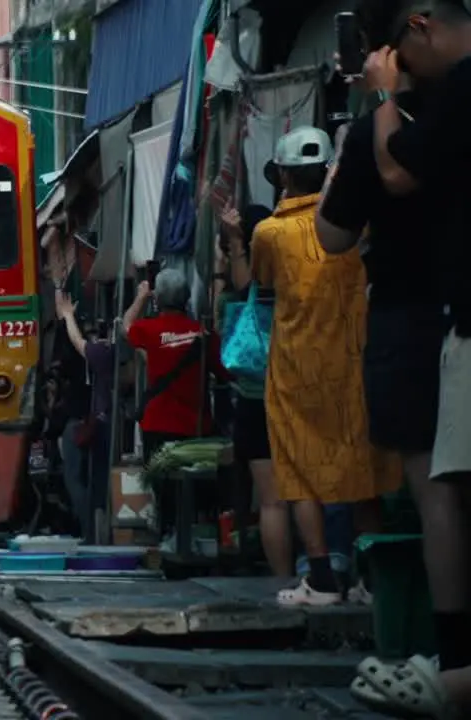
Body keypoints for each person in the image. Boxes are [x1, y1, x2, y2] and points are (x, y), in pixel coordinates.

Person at [340, 1, 471, 715]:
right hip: (448, 319)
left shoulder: (449, 95)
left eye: (399, 51)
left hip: (430, 324)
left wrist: (384, 100)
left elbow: (394, 178)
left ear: (418, 25)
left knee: (438, 492)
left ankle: (455, 663)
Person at [249, 126, 402, 608]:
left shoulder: (270, 232)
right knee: (364, 466)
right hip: (357, 359)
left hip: (297, 365)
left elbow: (261, 281)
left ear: (284, 176)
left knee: (299, 471)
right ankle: (373, 581)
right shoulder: (359, 227)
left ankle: (320, 578)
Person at [217, 203, 291, 578]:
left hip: (255, 396)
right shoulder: (295, 269)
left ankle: (284, 580)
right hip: (298, 389)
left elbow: (246, 288)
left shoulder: (242, 288)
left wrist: (234, 244)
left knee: (273, 501)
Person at [121, 269, 227, 461]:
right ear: (186, 298)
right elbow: (224, 371)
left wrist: (141, 297)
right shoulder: (203, 333)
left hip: (157, 424)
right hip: (195, 428)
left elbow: (126, 326)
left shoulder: (148, 329)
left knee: (161, 486)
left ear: (157, 299)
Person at [54, 292, 115, 543]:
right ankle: (100, 529)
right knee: (99, 478)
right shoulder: (112, 354)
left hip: (83, 422)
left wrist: (67, 316)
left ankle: (90, 530)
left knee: (75, 477)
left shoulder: (93, 354)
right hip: (104, 421)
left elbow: (75, 341)